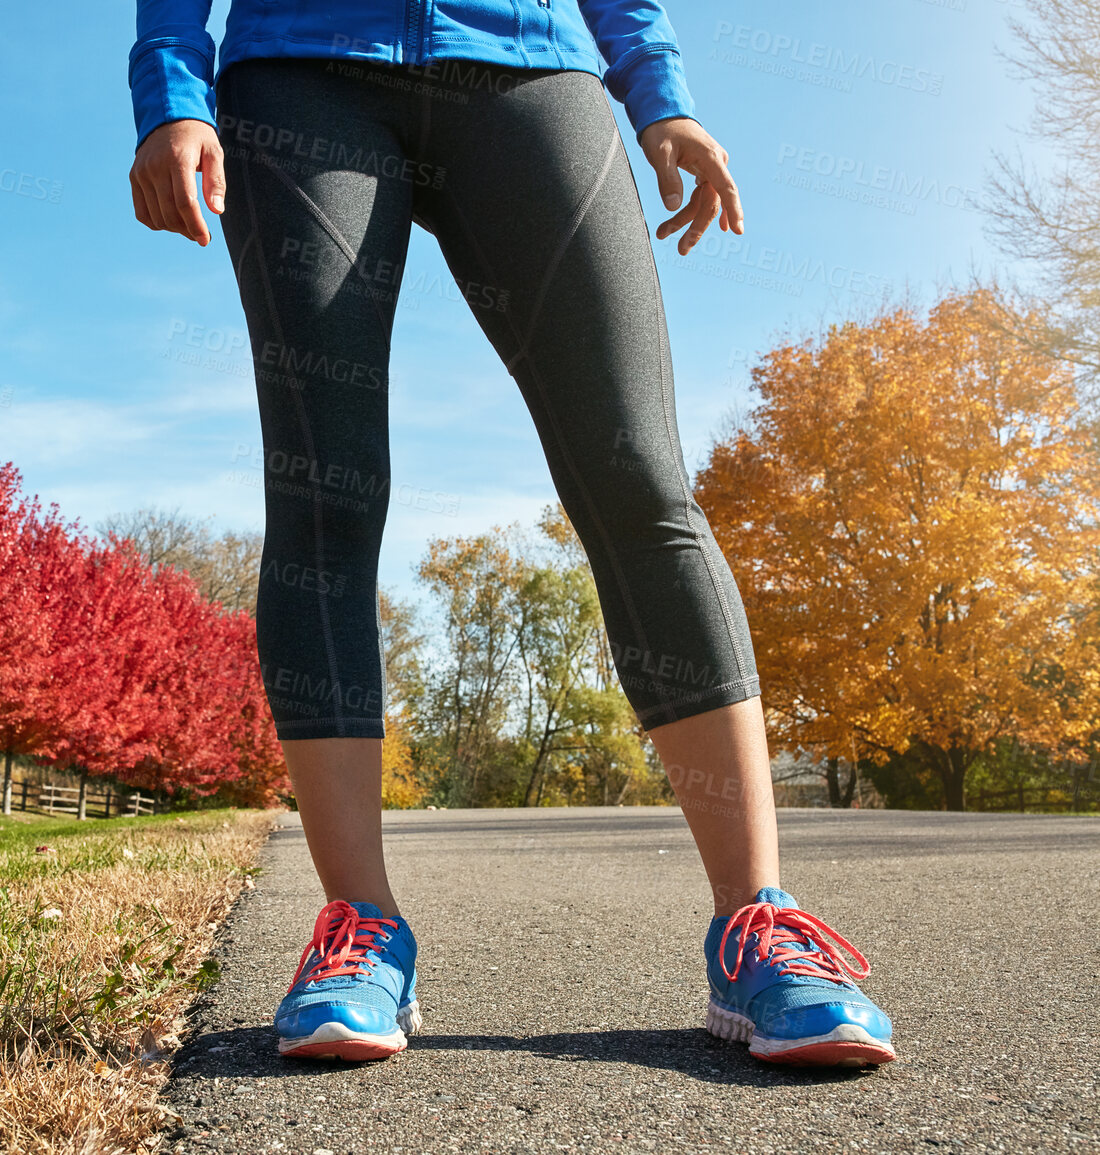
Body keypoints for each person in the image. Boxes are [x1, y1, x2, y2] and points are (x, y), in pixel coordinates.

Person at [126, 0, 896, 1068]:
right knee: (324, 493)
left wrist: (657, 95)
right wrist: (169, 89)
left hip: (528, 70)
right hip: (302, 71)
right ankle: (362, 931)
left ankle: (756, 927)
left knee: (637, 475)